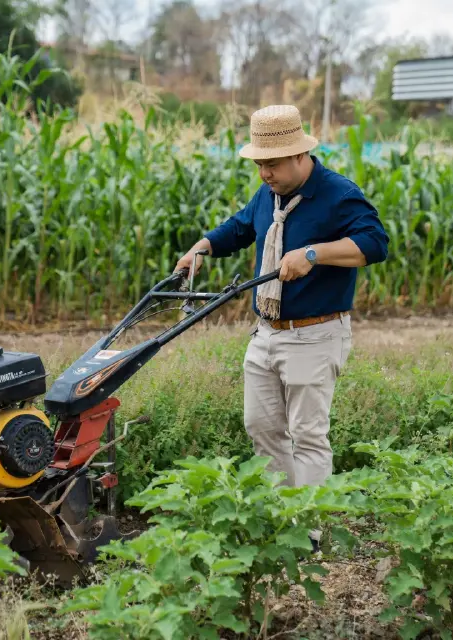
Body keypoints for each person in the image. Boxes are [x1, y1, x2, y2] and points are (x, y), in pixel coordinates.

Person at [174, 105, 389, 548]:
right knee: (262, 427)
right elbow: (239, 229)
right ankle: (279, 517)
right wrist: (201, 248)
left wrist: (313, 254)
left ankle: (312, 530)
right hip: (267, 331)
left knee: (308, 433)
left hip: (315, 332)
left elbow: (375, 244)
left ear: (297, 155)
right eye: (259, 164)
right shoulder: (269, 195)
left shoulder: (338, 194)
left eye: (271, 164)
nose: (264, 173)